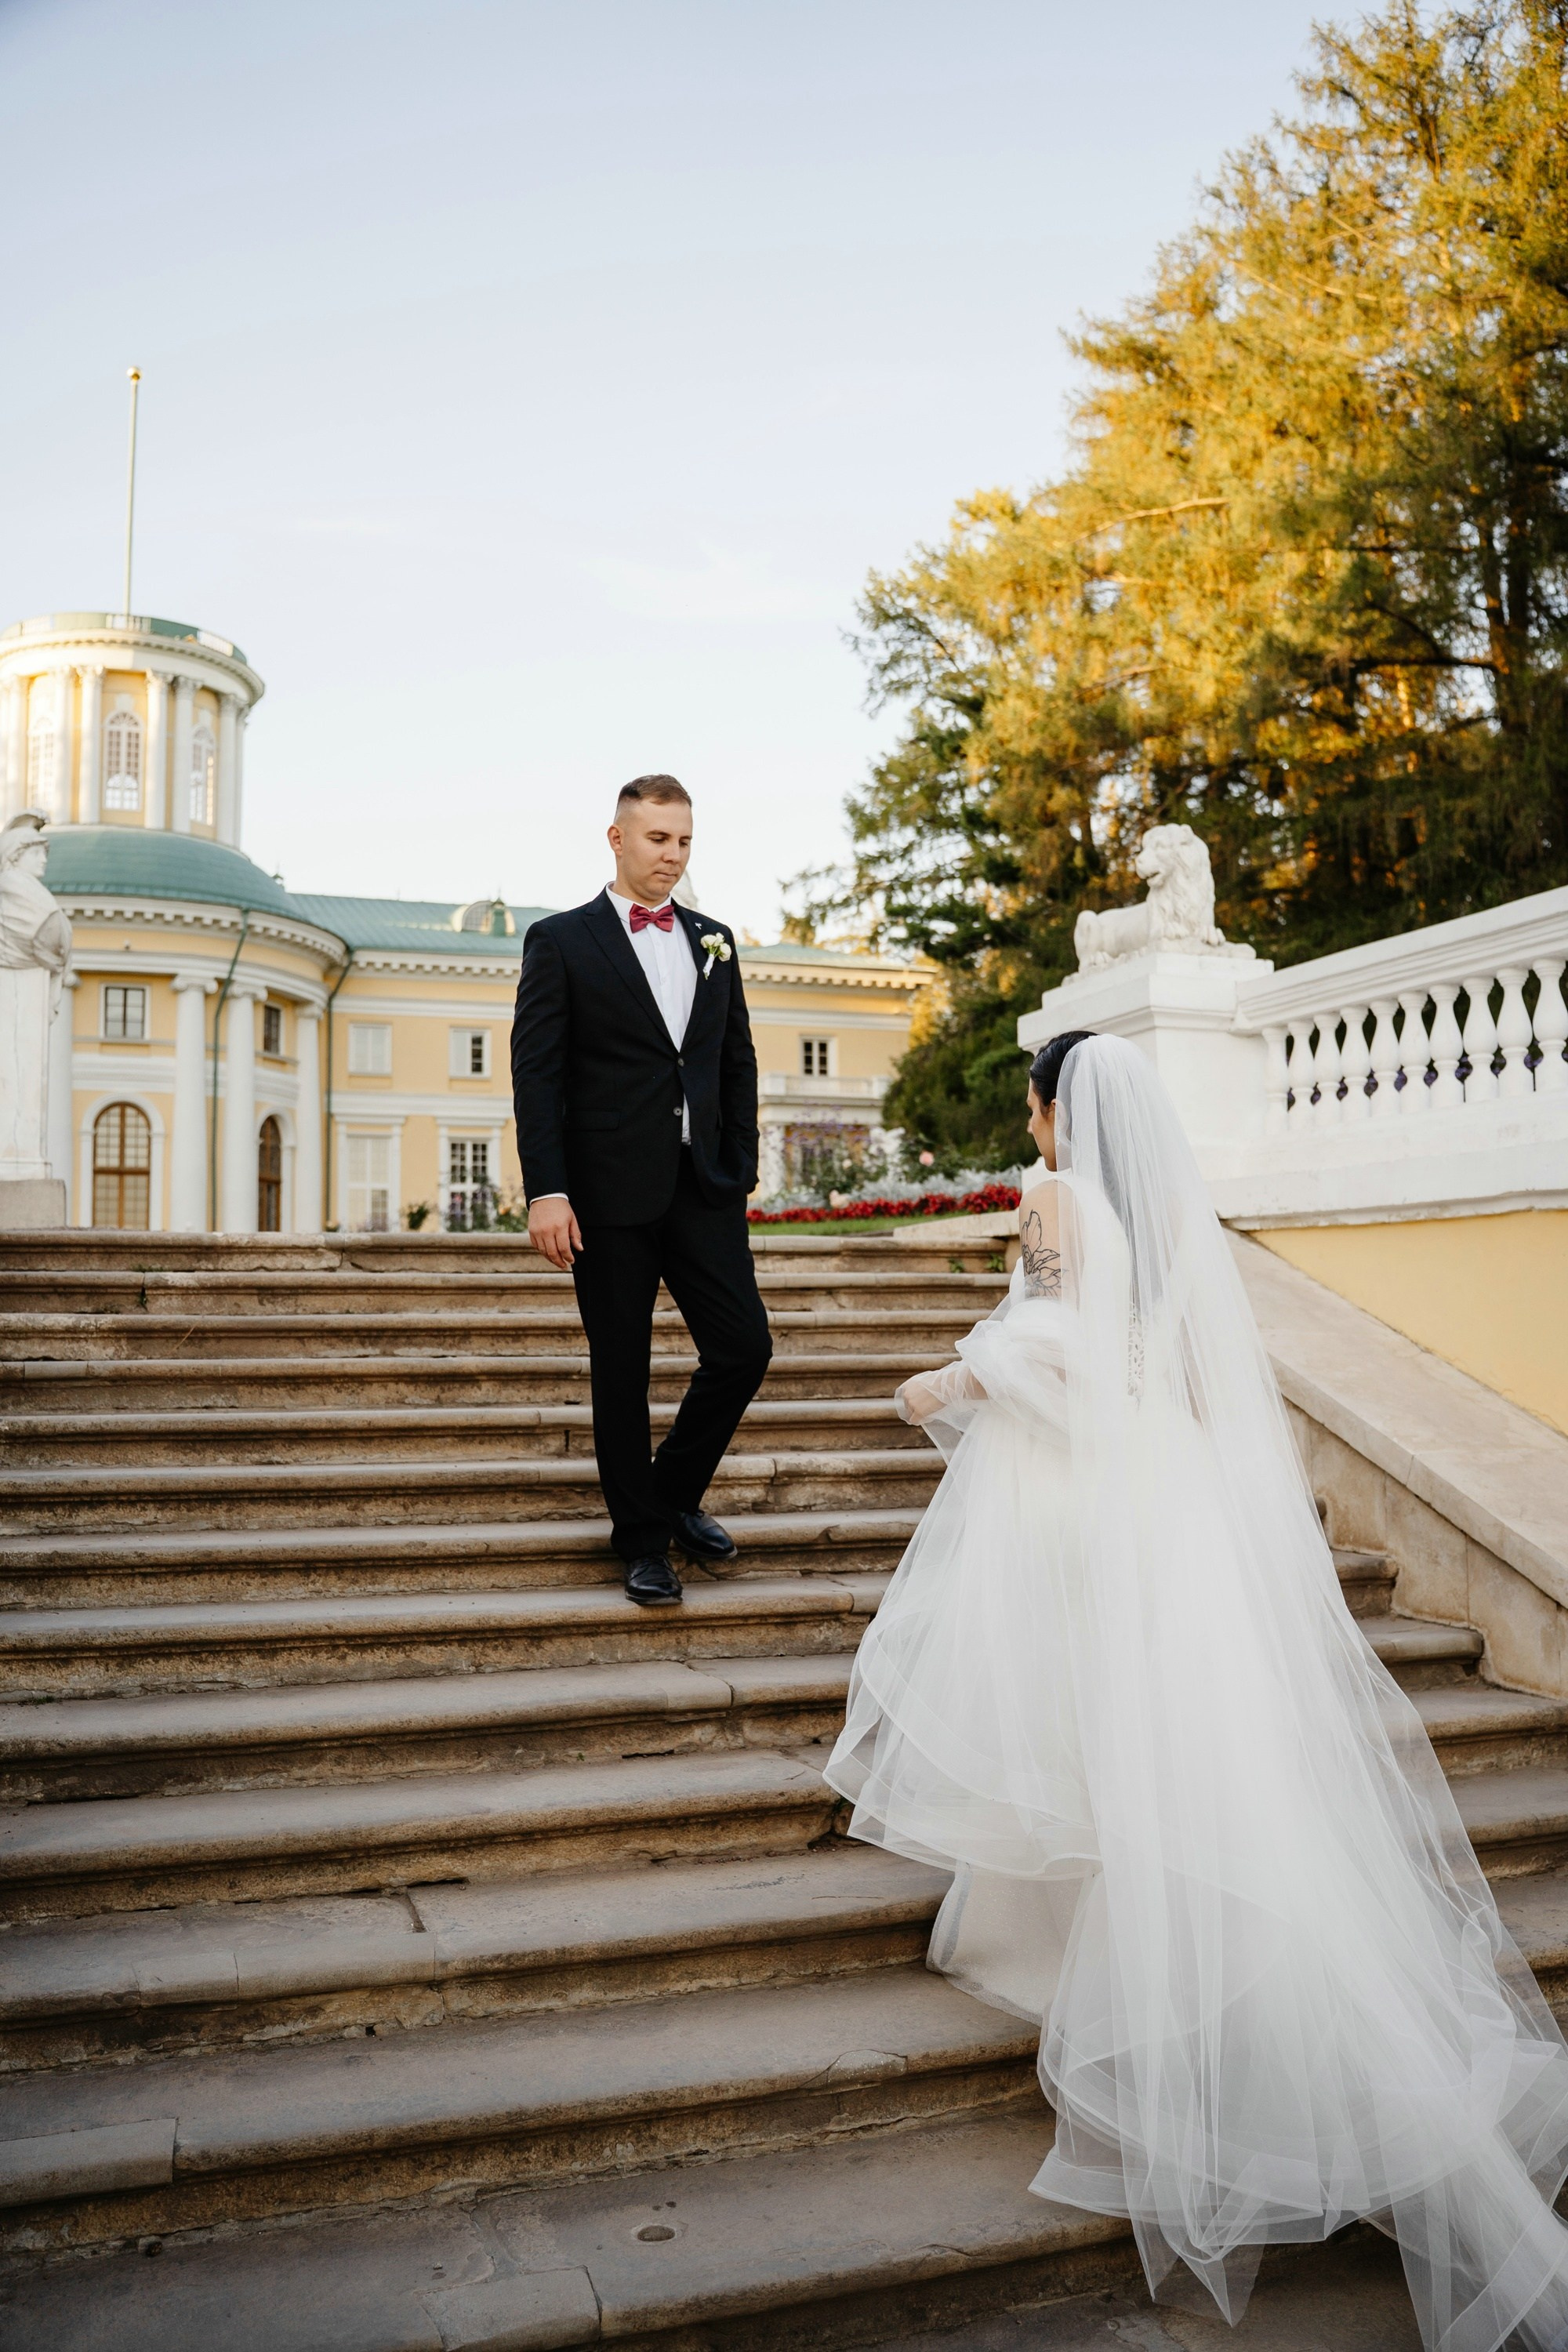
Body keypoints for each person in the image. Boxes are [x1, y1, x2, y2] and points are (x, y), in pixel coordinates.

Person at [826, 1029, 1568, 2352]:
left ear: (1055, 1110)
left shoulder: (1057, 1197)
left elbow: (1047, 1339)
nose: (1035, 1130)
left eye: (1035, 1107)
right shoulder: (1171, 1220)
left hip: (1078, 1505)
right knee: (1169, 1758)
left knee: (1082, 1739)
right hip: (1166, 1496)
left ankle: (1129, 2003)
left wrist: (943, 1379)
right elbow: (1154, 1366)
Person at [510, 775, 771, 1607]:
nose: (673, 855)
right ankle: (642, 1542)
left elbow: (734, 1061)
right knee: (620, 1370)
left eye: (684, 840)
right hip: (604, 1192)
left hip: (704, 1187)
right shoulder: (560, 940)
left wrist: (740, 1162)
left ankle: (672, 1493)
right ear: (618, 838)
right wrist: (547, 1191)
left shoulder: (714, 940)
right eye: (659, 838)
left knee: (744, 1348)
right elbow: (537, 1075)